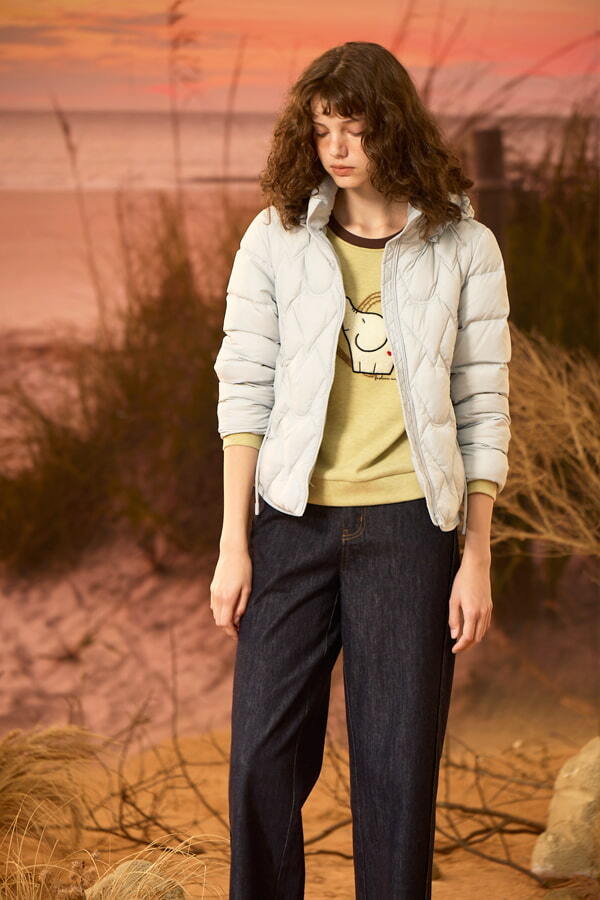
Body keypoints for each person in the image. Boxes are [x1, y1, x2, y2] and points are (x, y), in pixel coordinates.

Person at [210, 40, 511, 900]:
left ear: (394, 127)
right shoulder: (276, 239)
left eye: (355, 128)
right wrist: (233, 544)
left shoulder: (465, 246)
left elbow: (484, 404)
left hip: (412, 530)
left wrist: (476, 557)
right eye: (321, 130)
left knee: (396, 775)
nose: (337, 148)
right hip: (291, 524)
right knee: (261, 760)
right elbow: (244, 389)